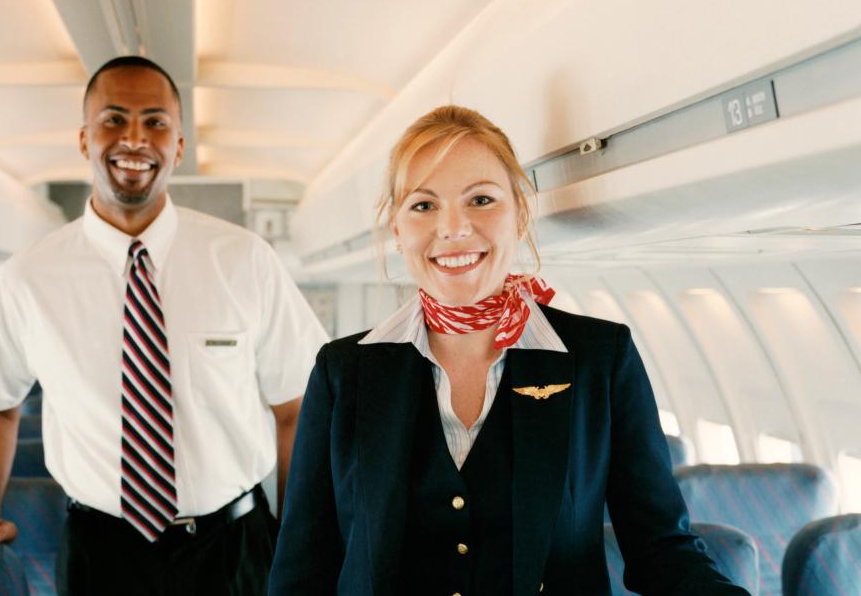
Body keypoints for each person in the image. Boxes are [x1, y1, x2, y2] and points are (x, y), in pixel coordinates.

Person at [267, 105, 749, 595]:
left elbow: (661, 549)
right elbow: (302, 571)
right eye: (423, 205)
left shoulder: (600, 359)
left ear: (520, 213)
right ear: (397, 230)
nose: (453, 228)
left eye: (480, 199)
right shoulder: (343, 372)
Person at [0, 55, 327, 596]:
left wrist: (301, 533)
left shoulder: (244, 260)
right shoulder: (27, 277)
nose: (134, 138)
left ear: (178, 146)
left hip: (232, 546)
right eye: (113, 119)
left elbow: (296, 408)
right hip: (100, 553)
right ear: (84, 139)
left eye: (155, 122)